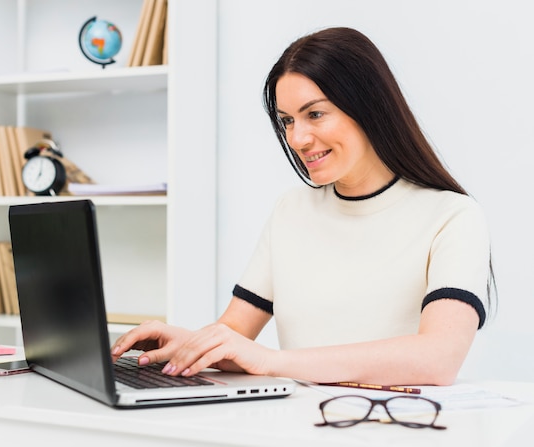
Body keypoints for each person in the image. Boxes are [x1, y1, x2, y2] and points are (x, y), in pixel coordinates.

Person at [111, 27, 495, 386]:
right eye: (287, 121)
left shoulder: (452, 217)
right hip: (295, 426)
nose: (298, 138)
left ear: (368, 106)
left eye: (314, 114)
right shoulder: (290, 211)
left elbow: (438, 358)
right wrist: (188, 343)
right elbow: (236, 335)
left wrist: (272, 361)